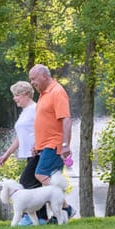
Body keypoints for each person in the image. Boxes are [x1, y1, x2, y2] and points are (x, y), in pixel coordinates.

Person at [28, 64, 76, 220]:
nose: (32, 83)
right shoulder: (43, 94)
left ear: (43, 75)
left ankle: (66, 209)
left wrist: (65, 145)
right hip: (45, 145)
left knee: (41, 174)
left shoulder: (57, 92)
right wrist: (37, 144)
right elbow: (44, 121)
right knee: (47, 181)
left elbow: (66, 119)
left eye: (33, 79)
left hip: (54, 144)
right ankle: (58, 214)